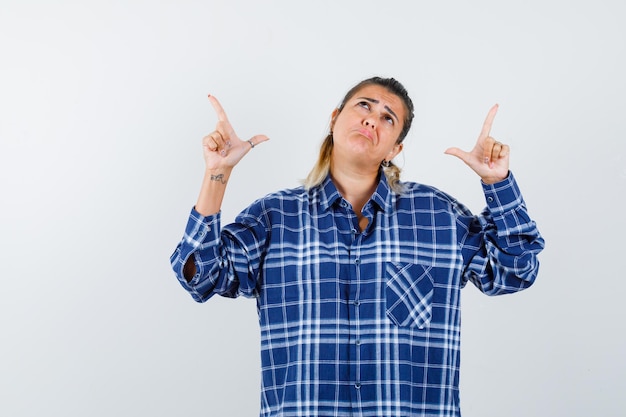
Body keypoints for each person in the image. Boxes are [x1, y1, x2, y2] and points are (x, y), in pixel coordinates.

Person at [170, 76, 545, 417]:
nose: (372, 119)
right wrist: (217, 174)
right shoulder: (274, 217)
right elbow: (200, 275)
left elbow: (514, 271)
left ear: (395, 148)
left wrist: (498, 183)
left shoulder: (439, 216)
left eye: (388, 118)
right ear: (334, 119)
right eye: (364, 105)